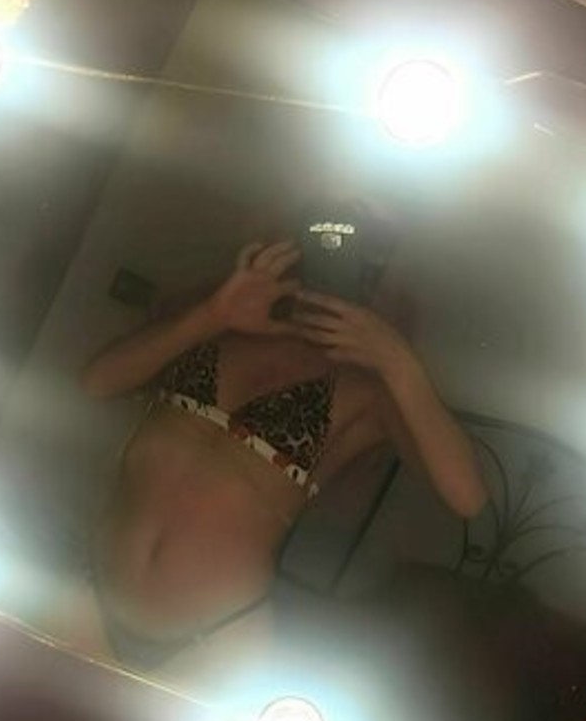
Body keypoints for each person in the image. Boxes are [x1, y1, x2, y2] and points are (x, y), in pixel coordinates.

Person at [76, 215, 486, 679]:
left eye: (371, 254)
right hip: (93, 592)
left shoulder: (368, 388)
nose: (343, 259)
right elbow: (97, 382)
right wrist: (214, 313)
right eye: (329, 235)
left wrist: (397, 361)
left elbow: (468, 497)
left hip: (213, 636)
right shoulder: (220, 324)